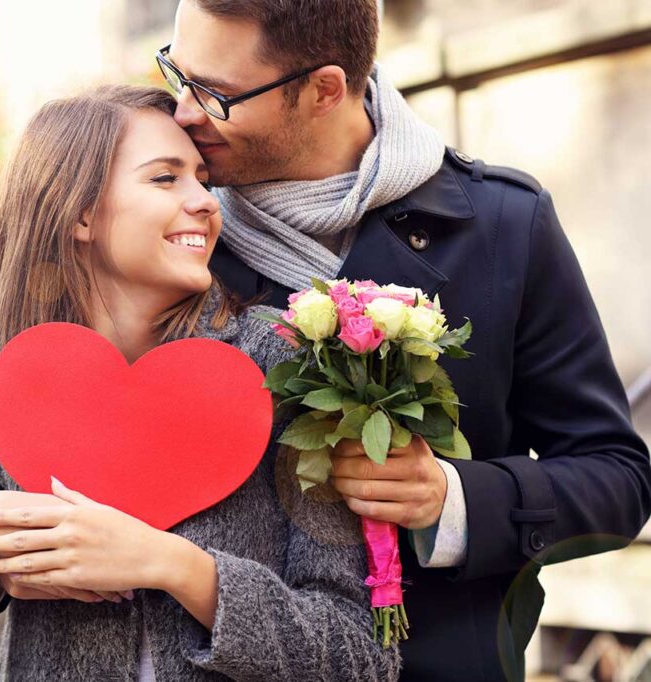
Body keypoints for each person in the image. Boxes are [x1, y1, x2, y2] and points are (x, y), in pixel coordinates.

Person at [148, 1, 651, 680]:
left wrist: (452, 499)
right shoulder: (165, 237)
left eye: (217, 95)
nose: (183, 112)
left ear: (325, 88)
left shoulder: (505, 224)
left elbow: (617, 479)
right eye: (178, 73)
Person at [0, 85, 401, 681]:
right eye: (165, 179)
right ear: (80, 213)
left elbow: (363, 656)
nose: (206, 202)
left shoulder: (284, 362)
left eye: (201, 178)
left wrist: (175, 566)